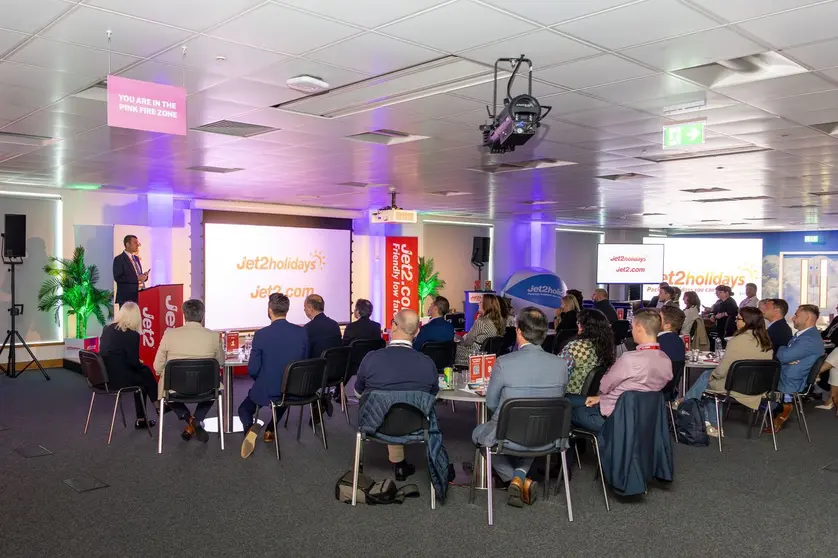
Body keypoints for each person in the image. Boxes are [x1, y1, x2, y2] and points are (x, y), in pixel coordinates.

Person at [472, 307, 567, 507]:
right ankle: (521, 476)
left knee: (478, 435)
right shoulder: (560, 365)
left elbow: (491, 404)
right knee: (533, 433)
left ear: (519, 332)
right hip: (547, 436)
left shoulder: (503, 363)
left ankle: (513, 479)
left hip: (507, 435)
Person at [354, 309, 438, 480]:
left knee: (385, 401)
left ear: (393, 326)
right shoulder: (428, 363)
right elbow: (432, 397)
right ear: (417, 332)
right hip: (415, 427)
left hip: (375, 425)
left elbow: (358, 393)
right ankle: (400, 463)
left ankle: (395, 461)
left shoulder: (371, 358)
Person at [567, 309, 672, 433]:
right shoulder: (666, 360)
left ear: (639, 328)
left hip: (611, 416)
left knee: (566, 411)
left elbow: (604, 387)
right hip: (643, 418)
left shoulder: (629, 359)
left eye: (632, 327)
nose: (632, 331)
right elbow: (641, 393)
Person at [681, 307, 773, 437]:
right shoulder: (766, 342)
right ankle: (686, 402)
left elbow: (721, 371)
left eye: (738, 319)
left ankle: (708, 421)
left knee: (708, 380)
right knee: (708, 377)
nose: (735, 321)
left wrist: (713, 375)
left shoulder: (736, 341)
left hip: (735, 386)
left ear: (747, 322)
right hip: (759, 387)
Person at [239, 293, 309, 458]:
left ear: (270, 310)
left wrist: (261, 380)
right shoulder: (302, 332)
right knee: (283, 401)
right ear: (287, 310)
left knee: (244, 409)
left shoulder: (261, 335)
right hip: (293, 388)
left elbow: (253, 369)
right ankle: (270, 429)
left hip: (268, 388)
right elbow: (304, 361)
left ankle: (249, 429)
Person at [153, 299, 225, 443]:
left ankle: (189, 420)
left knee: (164, 389)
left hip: (174, 389)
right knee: (216, 387)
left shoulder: (169, 334)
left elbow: (157, 367)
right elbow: (221, 363)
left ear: (184, 315)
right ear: (203, 315)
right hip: (206, 389)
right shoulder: (213, 336)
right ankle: (196, 420)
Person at [98, 302, 158, 429]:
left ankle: (146, 415)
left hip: (103, 377)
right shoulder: (131, 334)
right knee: (145, 374)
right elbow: (133, 363)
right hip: (118, 380)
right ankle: (157, 405)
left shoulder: (107, 329)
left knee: (144, 375)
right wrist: (139, 363)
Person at [771, 304, 825, 432]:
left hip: (790, 380)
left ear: (807, 317)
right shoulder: (804, 335)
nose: (793, 318)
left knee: (752, 378)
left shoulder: (808, 339)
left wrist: (781, 348)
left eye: (796, 315)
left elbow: (784, 356)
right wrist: (786, 353)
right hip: (789, 374)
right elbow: (786, 356)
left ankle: (779, 407)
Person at [560, 308, 615, 395]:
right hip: (592, 394)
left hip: (570, 393)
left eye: (578, 323)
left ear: (582, 326)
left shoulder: (575, 347)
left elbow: (558, 371)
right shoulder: (607, 346)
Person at [455, 293, 504, 366]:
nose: (478, 304)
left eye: (480, 302)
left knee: (451, 348)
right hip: (487, 356)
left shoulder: (481, 321)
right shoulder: (497, 322)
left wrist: (460, 340)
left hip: (474, 354)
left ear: (486, 305)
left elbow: (468, 341)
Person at [112, 234, 149, 306]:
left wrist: (144, 276)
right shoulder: (119, 259)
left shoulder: (136, 258)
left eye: (137, 243)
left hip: (139, 294)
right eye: (135, 243)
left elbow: (137, 274)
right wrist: (137, 278)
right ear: (127, 244)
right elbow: (118, 278)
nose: (138, 245)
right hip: (126, 297)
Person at [303, 294, 341, 358]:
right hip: (335, 363)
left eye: (305, 307)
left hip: (316, 363)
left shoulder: (308, 328)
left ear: (310, 307)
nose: (304, 310)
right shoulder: (335, 324)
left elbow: (305, 354)